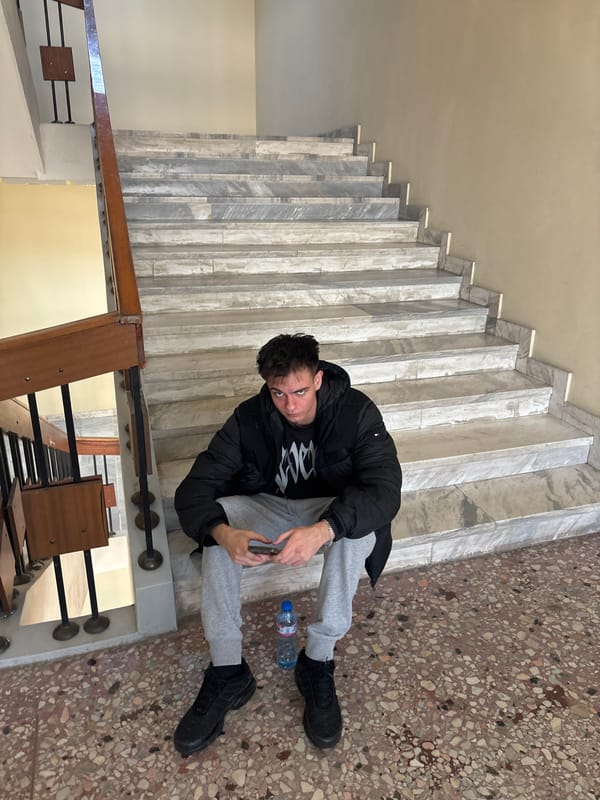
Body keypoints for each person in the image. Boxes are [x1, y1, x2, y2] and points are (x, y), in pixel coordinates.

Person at [173, 333, 402, 756]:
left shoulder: (356, 412)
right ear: (267, 386)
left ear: (317, 378)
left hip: (327, 509)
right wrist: (224, 535)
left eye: (299, 391)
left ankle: (317, 661)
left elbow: (385, 491)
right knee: (217, 518)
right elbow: (193, 492)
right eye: (278, 393)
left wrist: (325, 528)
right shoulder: (249, 417)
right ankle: (227, 671)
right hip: (269, 508)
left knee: (361, 528)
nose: (290, 405)